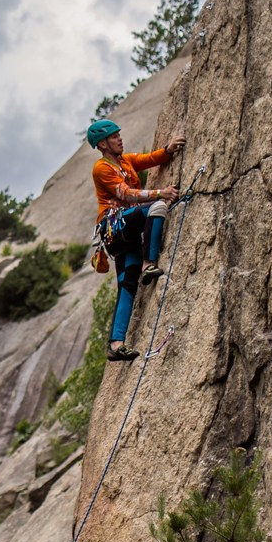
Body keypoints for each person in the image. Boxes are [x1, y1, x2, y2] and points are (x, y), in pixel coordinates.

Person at [87, 118, 185, 361]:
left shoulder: (125, 161)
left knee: (127, 285)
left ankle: (116, 343)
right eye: (114, 137)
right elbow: (125, 194)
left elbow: (149, 159)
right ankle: (148, 263)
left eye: (119, 135)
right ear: (102, 144)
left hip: (125, 235)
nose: (120, 138)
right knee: (157, 207)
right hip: (116, 226)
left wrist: (167, 150)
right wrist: (159, 193)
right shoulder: (102, 168)